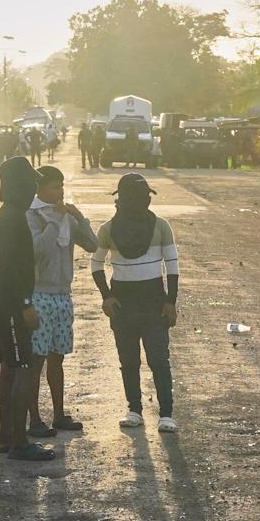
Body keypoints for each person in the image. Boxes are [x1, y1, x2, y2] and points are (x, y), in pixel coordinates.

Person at [92, 171, 182, 433]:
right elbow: (96, 264)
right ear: (122, 199)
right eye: (140, 197)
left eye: (146, 197)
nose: (144, 201)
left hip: (155, 303)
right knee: (129, 360)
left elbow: (172, 266)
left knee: (159, 360)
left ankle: (166, 414)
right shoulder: (108, 229)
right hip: (123, 305)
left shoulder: (161, 226)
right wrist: (106, 296)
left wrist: (170, 301)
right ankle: (134, 410)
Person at [0, 155, 54, 461]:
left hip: (5, 300)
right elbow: (13, 269)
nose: (34, 188)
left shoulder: (10, 213)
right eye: (30, 182)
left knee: (9, 367)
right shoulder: (13, 217)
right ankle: (19, 441)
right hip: (12, 303)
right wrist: (25, 305)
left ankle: (6, 437)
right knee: (22, 369)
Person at [28, 164, 99, 435]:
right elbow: (38, 250)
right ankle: (35, 419)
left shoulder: (66, 217)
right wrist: (55, 220)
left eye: (62, 186)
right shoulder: (32, 215)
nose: (60, 192)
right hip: (39, 294)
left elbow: (92, 245)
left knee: (57, 358)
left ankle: (59, 414)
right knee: (36, 360)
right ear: (39, 189)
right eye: (54, 187)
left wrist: (80, 218)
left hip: (62, 294)